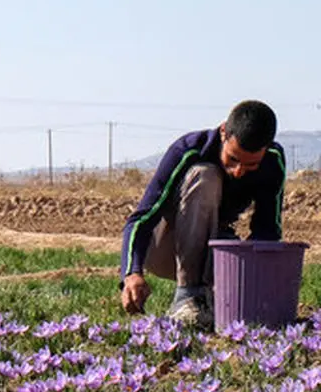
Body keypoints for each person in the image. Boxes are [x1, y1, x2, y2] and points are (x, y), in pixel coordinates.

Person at [120, 100, 286, 328]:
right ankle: (188, 296)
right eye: (233, 159)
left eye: (250, 165)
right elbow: (142, 219)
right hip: (165, 246)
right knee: (205, 176)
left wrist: (255, 285)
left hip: (215, 244)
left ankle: (215, 299)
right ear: (223, 133)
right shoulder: (189, 150)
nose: (238, 171)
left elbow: (267, 230)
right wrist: (132, 273)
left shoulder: (273, 160)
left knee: (231, 247)